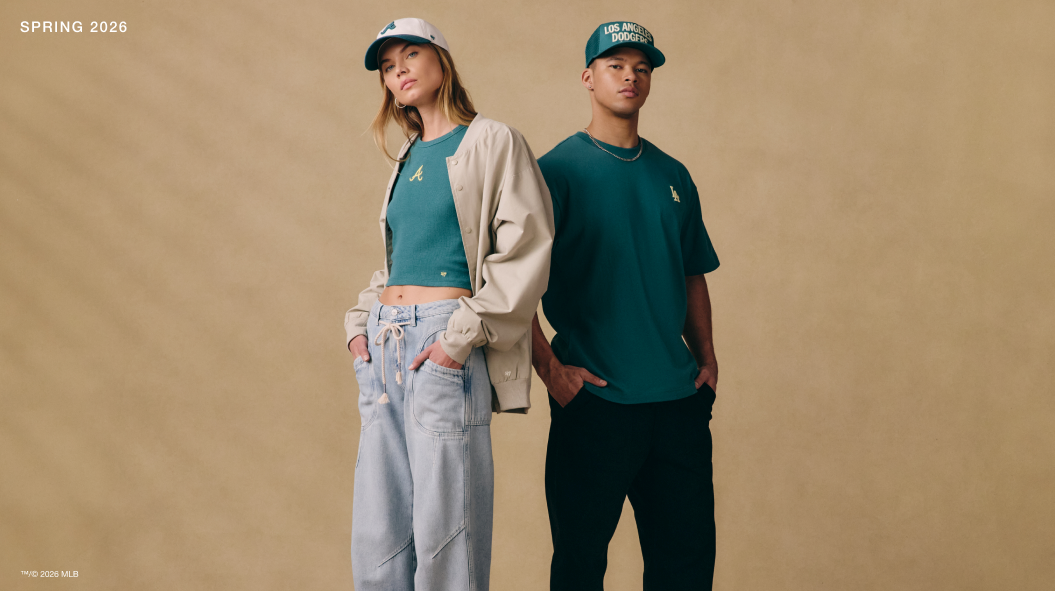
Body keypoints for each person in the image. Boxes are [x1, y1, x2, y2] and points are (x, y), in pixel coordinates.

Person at [344, 17, 553, 591]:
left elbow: (526, 249)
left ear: (442, 62)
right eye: (388, 66)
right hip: (384, 348)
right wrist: (360, 326)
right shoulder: (406, 159)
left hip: (443, 339)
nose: (399, 71)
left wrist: (460, 338)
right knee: (378, 532)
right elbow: (398, 262)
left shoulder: (491, 141)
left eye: (411, 55)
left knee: (447, 531)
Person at [531, 21, 722, 591]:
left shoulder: (673, 175)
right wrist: (551, 371)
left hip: (678, 404)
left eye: (642, 68)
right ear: (588, 77)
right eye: (616, 65)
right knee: (580, 566)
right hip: (595, 402)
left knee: (685, 568)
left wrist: (708, 360)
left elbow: (692, 272)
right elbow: (507, 283)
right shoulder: (553, 173)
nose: (630, 77)